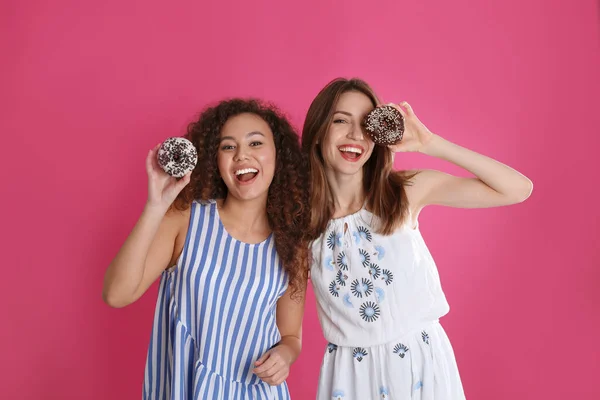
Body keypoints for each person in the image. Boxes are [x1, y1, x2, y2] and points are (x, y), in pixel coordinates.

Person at [301, 78, 533, 399]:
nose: (355, 135)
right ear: (317, 132)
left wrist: (430, 143)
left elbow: (517, 188)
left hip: (420, 365)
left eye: (365, 125)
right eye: (340, 120)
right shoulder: (299, 219)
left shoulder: (404, 191)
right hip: (350, 375)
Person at [103, 98, 309, 399]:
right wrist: (155, 206)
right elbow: (116, 294)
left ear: (279, 156)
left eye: (255, 143)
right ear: (215, 160)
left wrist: (285, 357)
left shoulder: (292, 243)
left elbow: (291, 336)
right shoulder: (185, 219)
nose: (241, 155)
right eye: (228, 147)